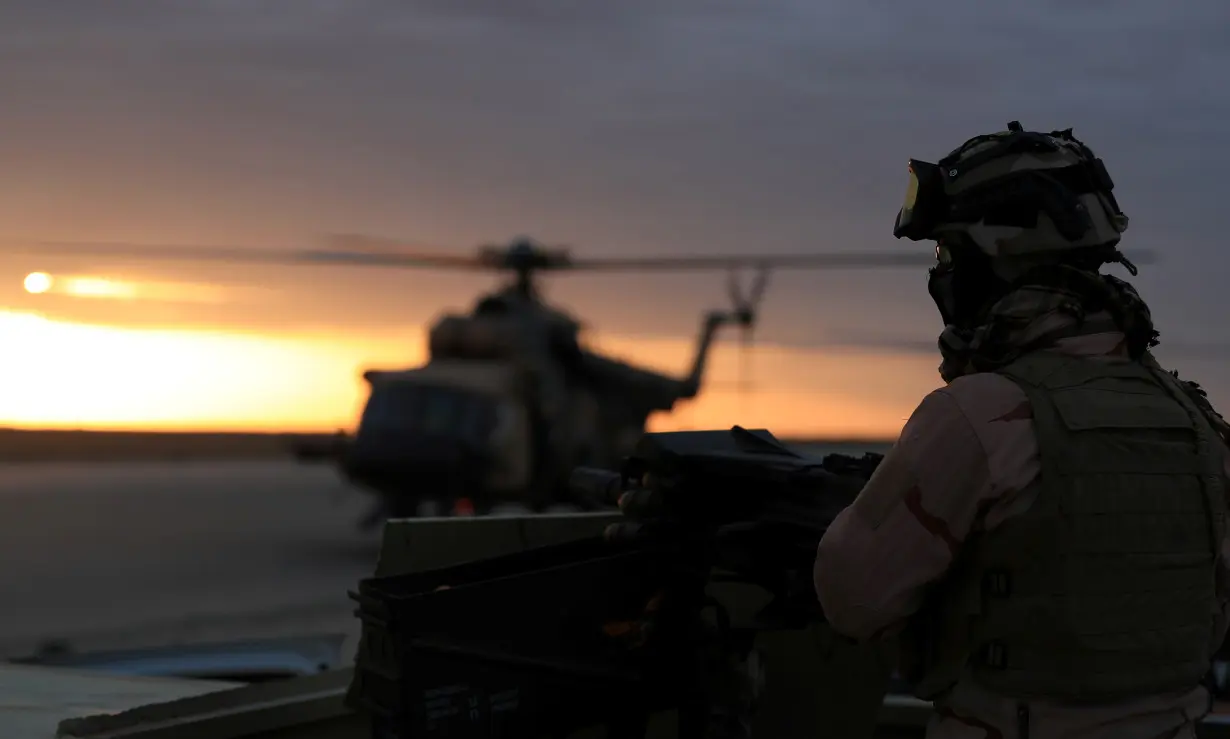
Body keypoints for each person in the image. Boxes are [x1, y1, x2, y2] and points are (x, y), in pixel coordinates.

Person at [814, 121, 1230, 738]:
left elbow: (853, 602)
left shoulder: (978, 415)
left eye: (947, 253)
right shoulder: (1196, 421)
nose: (942, 272)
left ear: (995, 257)